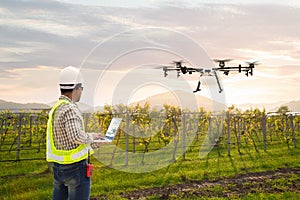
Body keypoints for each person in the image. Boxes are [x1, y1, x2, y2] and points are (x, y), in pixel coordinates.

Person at [46, 66, 103, 200]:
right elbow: (75, 136)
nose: (81, 92)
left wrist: (95, 143)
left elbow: (67, 142)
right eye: (81, 89)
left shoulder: (56, 108)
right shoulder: (70, 108)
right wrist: (92, 136)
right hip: (75, 169)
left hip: (59, 168)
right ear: (76, 88)